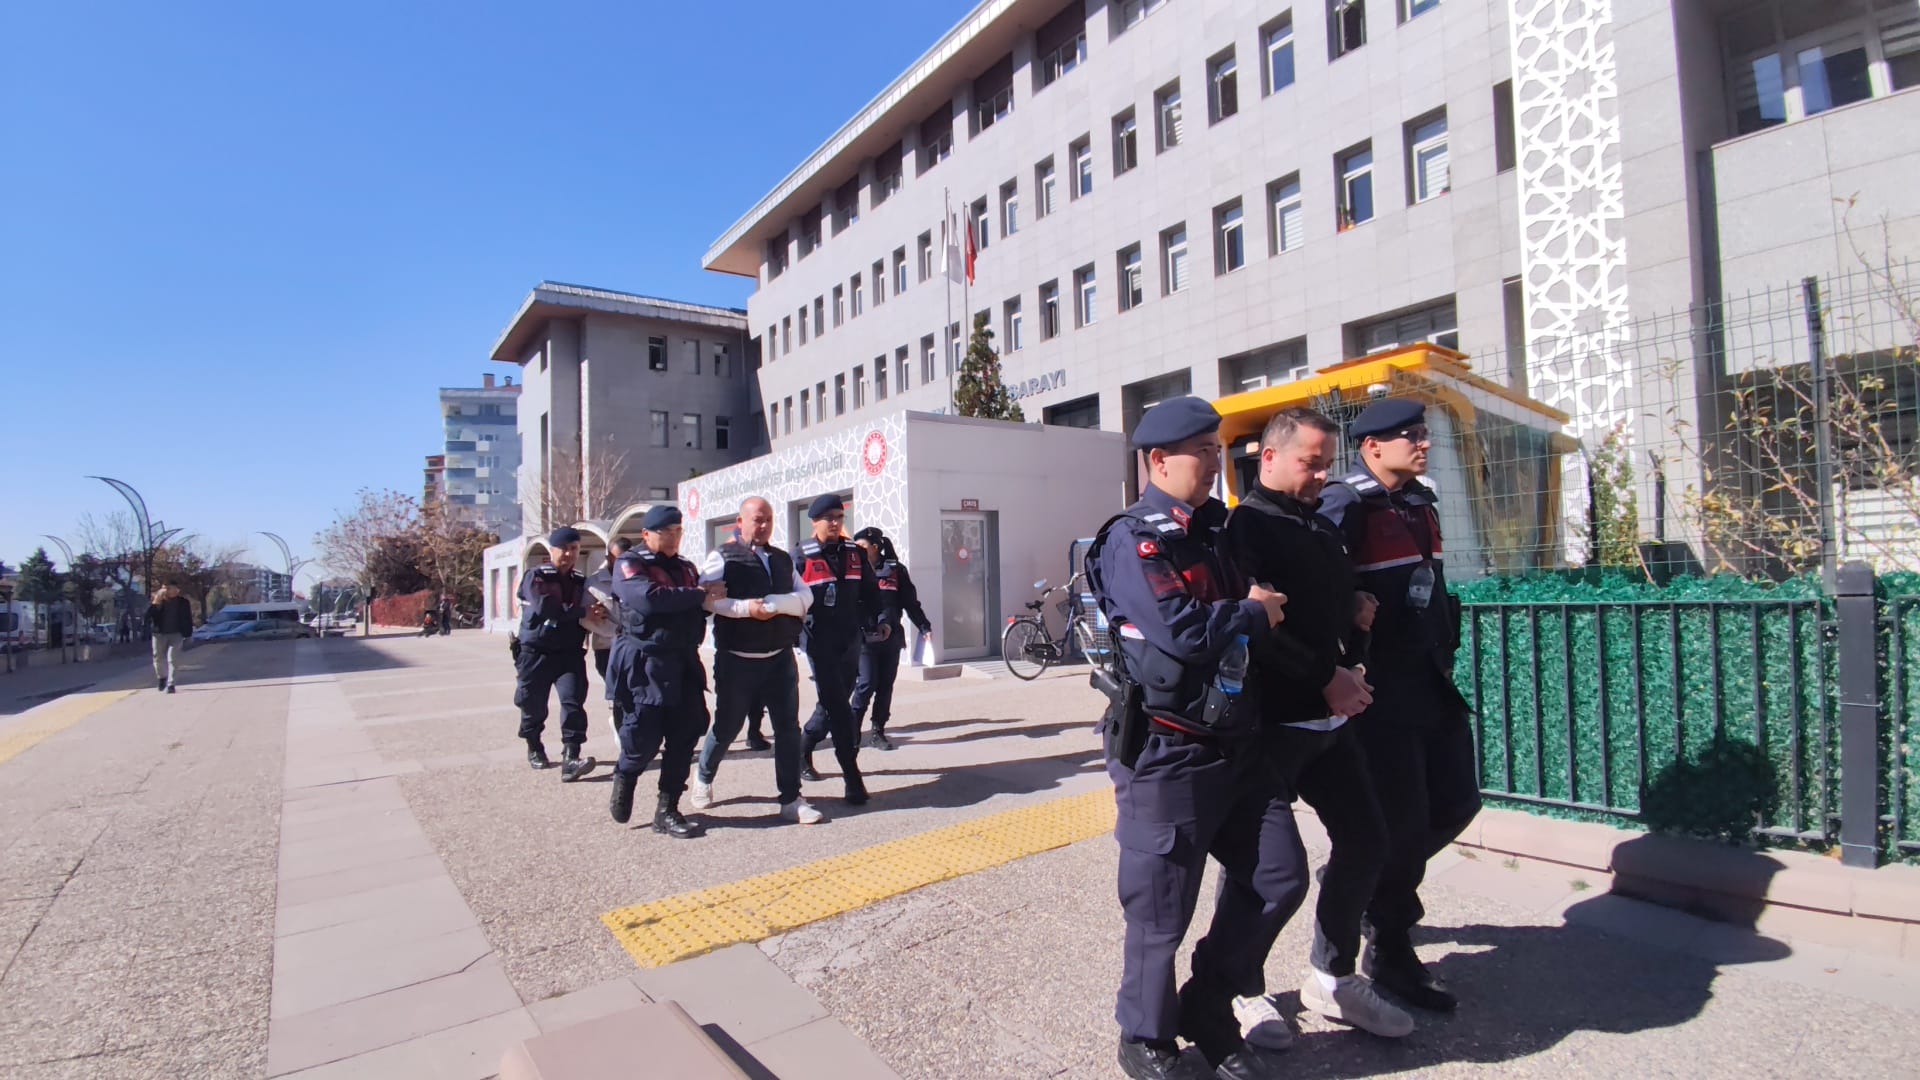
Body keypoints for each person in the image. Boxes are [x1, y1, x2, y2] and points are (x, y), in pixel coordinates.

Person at [1086, 396, 1293, 1080]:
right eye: (1200, 452)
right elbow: (1183, 633)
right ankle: (1144, 1036)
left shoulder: (1218, 532)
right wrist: (1252, 612)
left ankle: (1206, 1004)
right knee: (1160, 909)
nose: (1213, 462)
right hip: (1169, 749)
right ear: (1158, 461)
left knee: (1278, 876)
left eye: (1216, 448)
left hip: (1238, 741)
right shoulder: (1134, 540)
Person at [1222, 407, 1409, 1042]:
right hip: (1273, 725)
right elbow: (1258, 632)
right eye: (1311, 461)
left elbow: (1326, 604)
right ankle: (1237, 988)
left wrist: (1354, 623)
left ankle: (1331, 977)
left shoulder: (1321, 523)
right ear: (1269, 457)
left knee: (1367, 842)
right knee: (1270, 874)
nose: (1324, 473)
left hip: (1330, 725)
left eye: (1328, 461)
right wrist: (1321, 676)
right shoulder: (1246, 528)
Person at [1318, 398, 1482, 1013]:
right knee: (1405, 821)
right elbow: (1313, 579)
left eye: (1423, 433)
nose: (1423, 443)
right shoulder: (1346, 503)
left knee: (1459, 801)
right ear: (1371, 447)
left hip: (1429, 680)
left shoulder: (1420, 503)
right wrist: (1345, 612)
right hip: (1380, 690)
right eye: (1409, 435)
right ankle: (1390, 947)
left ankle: (1363, 884)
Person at [689, 496, 824, 825]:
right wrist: (745, 608)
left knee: (788, 729)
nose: (763, 526)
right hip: (737, 660)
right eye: (756, 520)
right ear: (740, 521)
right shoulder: (722, 556)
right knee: (727, 726)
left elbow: (805, 597)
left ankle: (791, 798)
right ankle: (704, 777)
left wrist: (777, 604)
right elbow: (707, 601)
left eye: (768, 519)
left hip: (778, 659)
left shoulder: (781, 558)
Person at [605, 505, 722, 838]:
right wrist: (697, 595)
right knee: (642, 737)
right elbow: (649, 600)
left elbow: (701, 603)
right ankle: (626, 774)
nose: (673, 537)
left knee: (686, 734)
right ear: (646, 534)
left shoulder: (686, 568)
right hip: (645, 664)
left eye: (678, 531)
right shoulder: (631, 563)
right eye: (665, 532)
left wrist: (700, 597)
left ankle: (667, 809)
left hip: (682, 660)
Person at [795, 493, 883, 805]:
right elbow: (790, 599)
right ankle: (852, 776)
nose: (834, 523)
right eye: (828, 518)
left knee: (831, 704)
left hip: (850, 640)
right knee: (840, 708)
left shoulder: (854, 554)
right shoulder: (801, 556)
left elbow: (872, 592)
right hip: (819, 642)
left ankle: (802, 749)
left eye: (839, 517)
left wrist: (879, 620)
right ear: (814, 521)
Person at [514, 527, 603, 782]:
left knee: (573, 701)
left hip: (569, 652)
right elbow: (546, 607)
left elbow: (591, 605)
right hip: (536, 652)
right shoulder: (536, 576)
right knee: (532, 704)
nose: (569, 554)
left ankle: (571, 756)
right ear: (552, 550)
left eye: (574, 548)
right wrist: (581, 612)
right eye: (564, 548)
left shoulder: (578, 579)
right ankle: (534, 745)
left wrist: (596, 612)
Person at [849, 526, 930, 751]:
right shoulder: (853, 570)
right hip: (864, 637)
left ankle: (878, 731)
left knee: (885, 686)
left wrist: (923, 626)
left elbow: (910, 602)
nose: (858, 549)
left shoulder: (895, 570)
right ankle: (853, 730)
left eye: (862, 546)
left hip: (891, 637)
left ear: (875, 547)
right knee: (866, 683)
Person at [588, 537, 632, 736]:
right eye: (618, 559)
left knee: (635, 694)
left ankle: (634, 736)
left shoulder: (637, 577)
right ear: (609, 558)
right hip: (608, 648)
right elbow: (586, 619)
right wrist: (617, 632)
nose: (623, 564)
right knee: (620, 694)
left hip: (634, 647)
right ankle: (625, 739)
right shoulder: (594, 584)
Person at [145, 581, 194, 693]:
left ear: (176, 589)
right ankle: (162, 677)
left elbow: (188, 619)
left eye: (170, 588)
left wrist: (188, 634)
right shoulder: (158, 601)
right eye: (165, 588)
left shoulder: (183, 602)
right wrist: (156, 602)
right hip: (159, 635)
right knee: (158, 657)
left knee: (173, 658)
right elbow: (148, 616)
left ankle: (171, 684)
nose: (167, 591)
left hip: (176, 634)